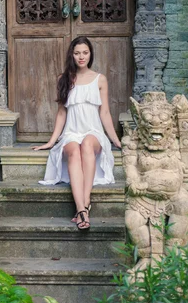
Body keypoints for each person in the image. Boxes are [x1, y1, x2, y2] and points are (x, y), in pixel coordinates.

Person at [32, 36, 121, 230]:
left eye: (85, 53)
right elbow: (62, 113)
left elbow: (104, 112)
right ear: (72, 55)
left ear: (90, 54)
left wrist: (116, 140)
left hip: (93, 131)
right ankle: (81, 208)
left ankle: (85, 202)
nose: (81, 57)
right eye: (77, 53)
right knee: (73, 150)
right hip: (72, 131)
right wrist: (51, 142)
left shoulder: (100, 79)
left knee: (87, 144)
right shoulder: (63, 79)